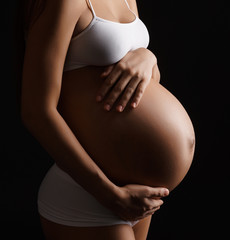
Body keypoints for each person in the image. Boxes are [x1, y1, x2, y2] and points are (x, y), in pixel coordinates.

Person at [21, 0, 195, 239]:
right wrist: (110, 195)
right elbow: (36, 111)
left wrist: (148, 57)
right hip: (91, 192)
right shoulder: (66, 3)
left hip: (139, 195)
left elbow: (144, 85)